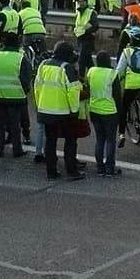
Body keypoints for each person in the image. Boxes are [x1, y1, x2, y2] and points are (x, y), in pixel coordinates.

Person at [34, 41, 84, 180]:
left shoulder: (43, 65)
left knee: (50, 141)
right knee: (70, 140)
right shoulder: (66, 68)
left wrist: (39, 106)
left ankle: (51, 171)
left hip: (45, 110)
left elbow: (37, 87)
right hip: (63, 112)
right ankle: (72, 170)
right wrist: (75, 110)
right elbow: (73, 92)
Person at [0, 33, 31, 159]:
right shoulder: (21, 58)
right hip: (16, 96)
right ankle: (17, 149)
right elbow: (26, 78)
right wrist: (24, 91)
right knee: (15, 124)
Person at [87, 51, 121, 176]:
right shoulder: (112, 74)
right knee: (110, 140)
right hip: (109, 111)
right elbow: (117, 95)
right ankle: (110, 167)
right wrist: (120, 112)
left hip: (94, 109)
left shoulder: (91, 72)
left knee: (99, 139)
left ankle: (99, 167)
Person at [73, 0, 99, 75]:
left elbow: (96, 25)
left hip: (87, 39)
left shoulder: (91, 12)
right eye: (79, 1)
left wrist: (87, 32)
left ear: (86, 2)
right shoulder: (78, 12)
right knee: (88, 61)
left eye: (82, 1)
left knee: (81, 61)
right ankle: (94, 75)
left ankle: (81, 78)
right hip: (79, 39)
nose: (81, 3)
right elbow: (77, 25)